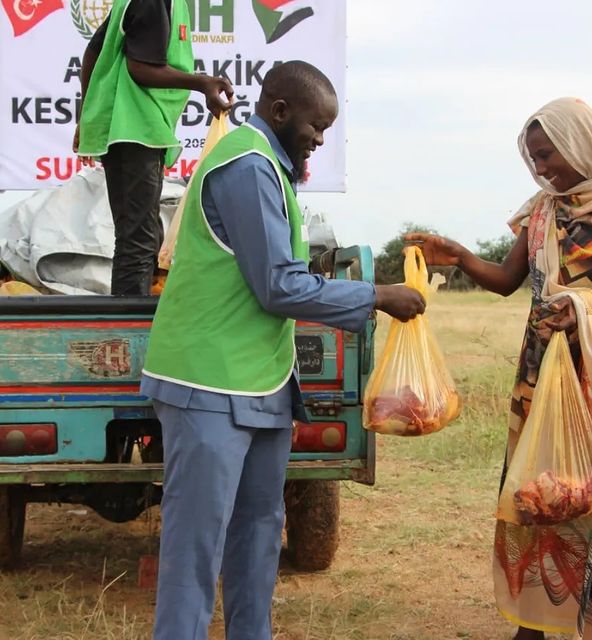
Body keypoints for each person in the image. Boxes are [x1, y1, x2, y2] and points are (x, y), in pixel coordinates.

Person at [139, 60, 426, 640]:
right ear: (279, 112)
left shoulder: (271, 168)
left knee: (259, 531)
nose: (320, 139)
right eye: (316, 126)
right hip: (207, 383)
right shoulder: (247, 164)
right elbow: (279, 285)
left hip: (260, 382)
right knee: (197, 546)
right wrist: (377, 294)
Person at [407, 97, 592, 640]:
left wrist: (579, 311)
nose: (541, 168)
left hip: (585, 377)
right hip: (540, 375)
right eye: (533, 158)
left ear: (579, 141)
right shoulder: (541, 210)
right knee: (536, 489)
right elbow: (510, 279)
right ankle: (533, 622)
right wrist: (461, 256)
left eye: (547, 154)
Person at [74, 0, 233, 295]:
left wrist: (86, 116)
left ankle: (129, 325)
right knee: (138, 241)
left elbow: (94, 50)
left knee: (140, 237)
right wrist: (201, 84)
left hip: (136, 130)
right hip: (135, 130)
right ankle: (129, 333)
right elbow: (141, 67)